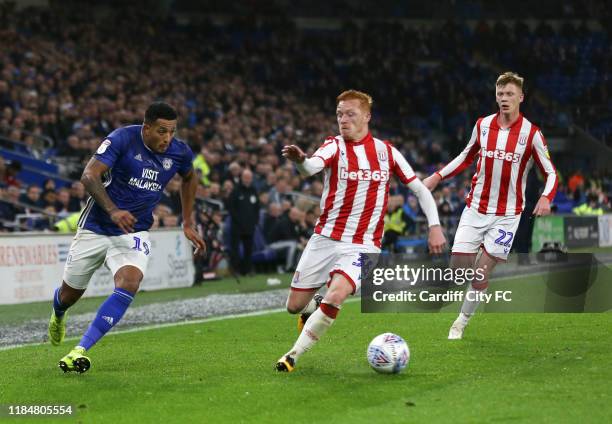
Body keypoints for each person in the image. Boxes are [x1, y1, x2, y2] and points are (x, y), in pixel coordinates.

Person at [276, 90, 446, 372]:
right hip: (325, 239)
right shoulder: (334, 146)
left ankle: (293, 355)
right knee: (294, 306)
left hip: (365, 245)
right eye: (340, 114)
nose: (343, 119)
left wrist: (435, 226)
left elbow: (419, 189)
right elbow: (310, 168)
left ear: (367, 116)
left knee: (337, 295)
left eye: (350, 114)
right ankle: (313, 306)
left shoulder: (387, 152)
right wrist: (299, 161)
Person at [48, 102, 205, 373]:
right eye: (161, 131)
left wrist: (188, 221)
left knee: (130, 283)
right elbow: (89, 175)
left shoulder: (179, 152)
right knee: (69, 295)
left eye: (172, 132)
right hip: (96, 228)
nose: (167, 138)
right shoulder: (123, 138)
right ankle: (59, 313)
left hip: (134, 230)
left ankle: (79, 350)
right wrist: (113, 211)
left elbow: (190, 178)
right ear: (146, 128)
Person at [422, 72, 558, 340]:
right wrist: (438, 176)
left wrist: (546, 197)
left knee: (481, 271)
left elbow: (551, 172)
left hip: (507, 215)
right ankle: (476, 285)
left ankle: (460, 322)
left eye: (509, 94)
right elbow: (465, 156)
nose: (504, 99)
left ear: (521, 97)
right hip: (475, 209)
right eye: (500, 94)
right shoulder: (483, 125)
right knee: (458, 269)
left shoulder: (532, 134)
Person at [226, 168, 260, 275]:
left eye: (249, 177)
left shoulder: (254, 191)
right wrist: (239, 221)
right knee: (235, 249)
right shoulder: (236, 191)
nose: (247, 179)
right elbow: (231, 208)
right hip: (237, 226)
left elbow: (257, 208)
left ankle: (247, 270)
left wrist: (255, 221)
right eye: (245, 177)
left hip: (250, 226)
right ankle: (235, 270)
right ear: (241, 178)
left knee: (248, 249)